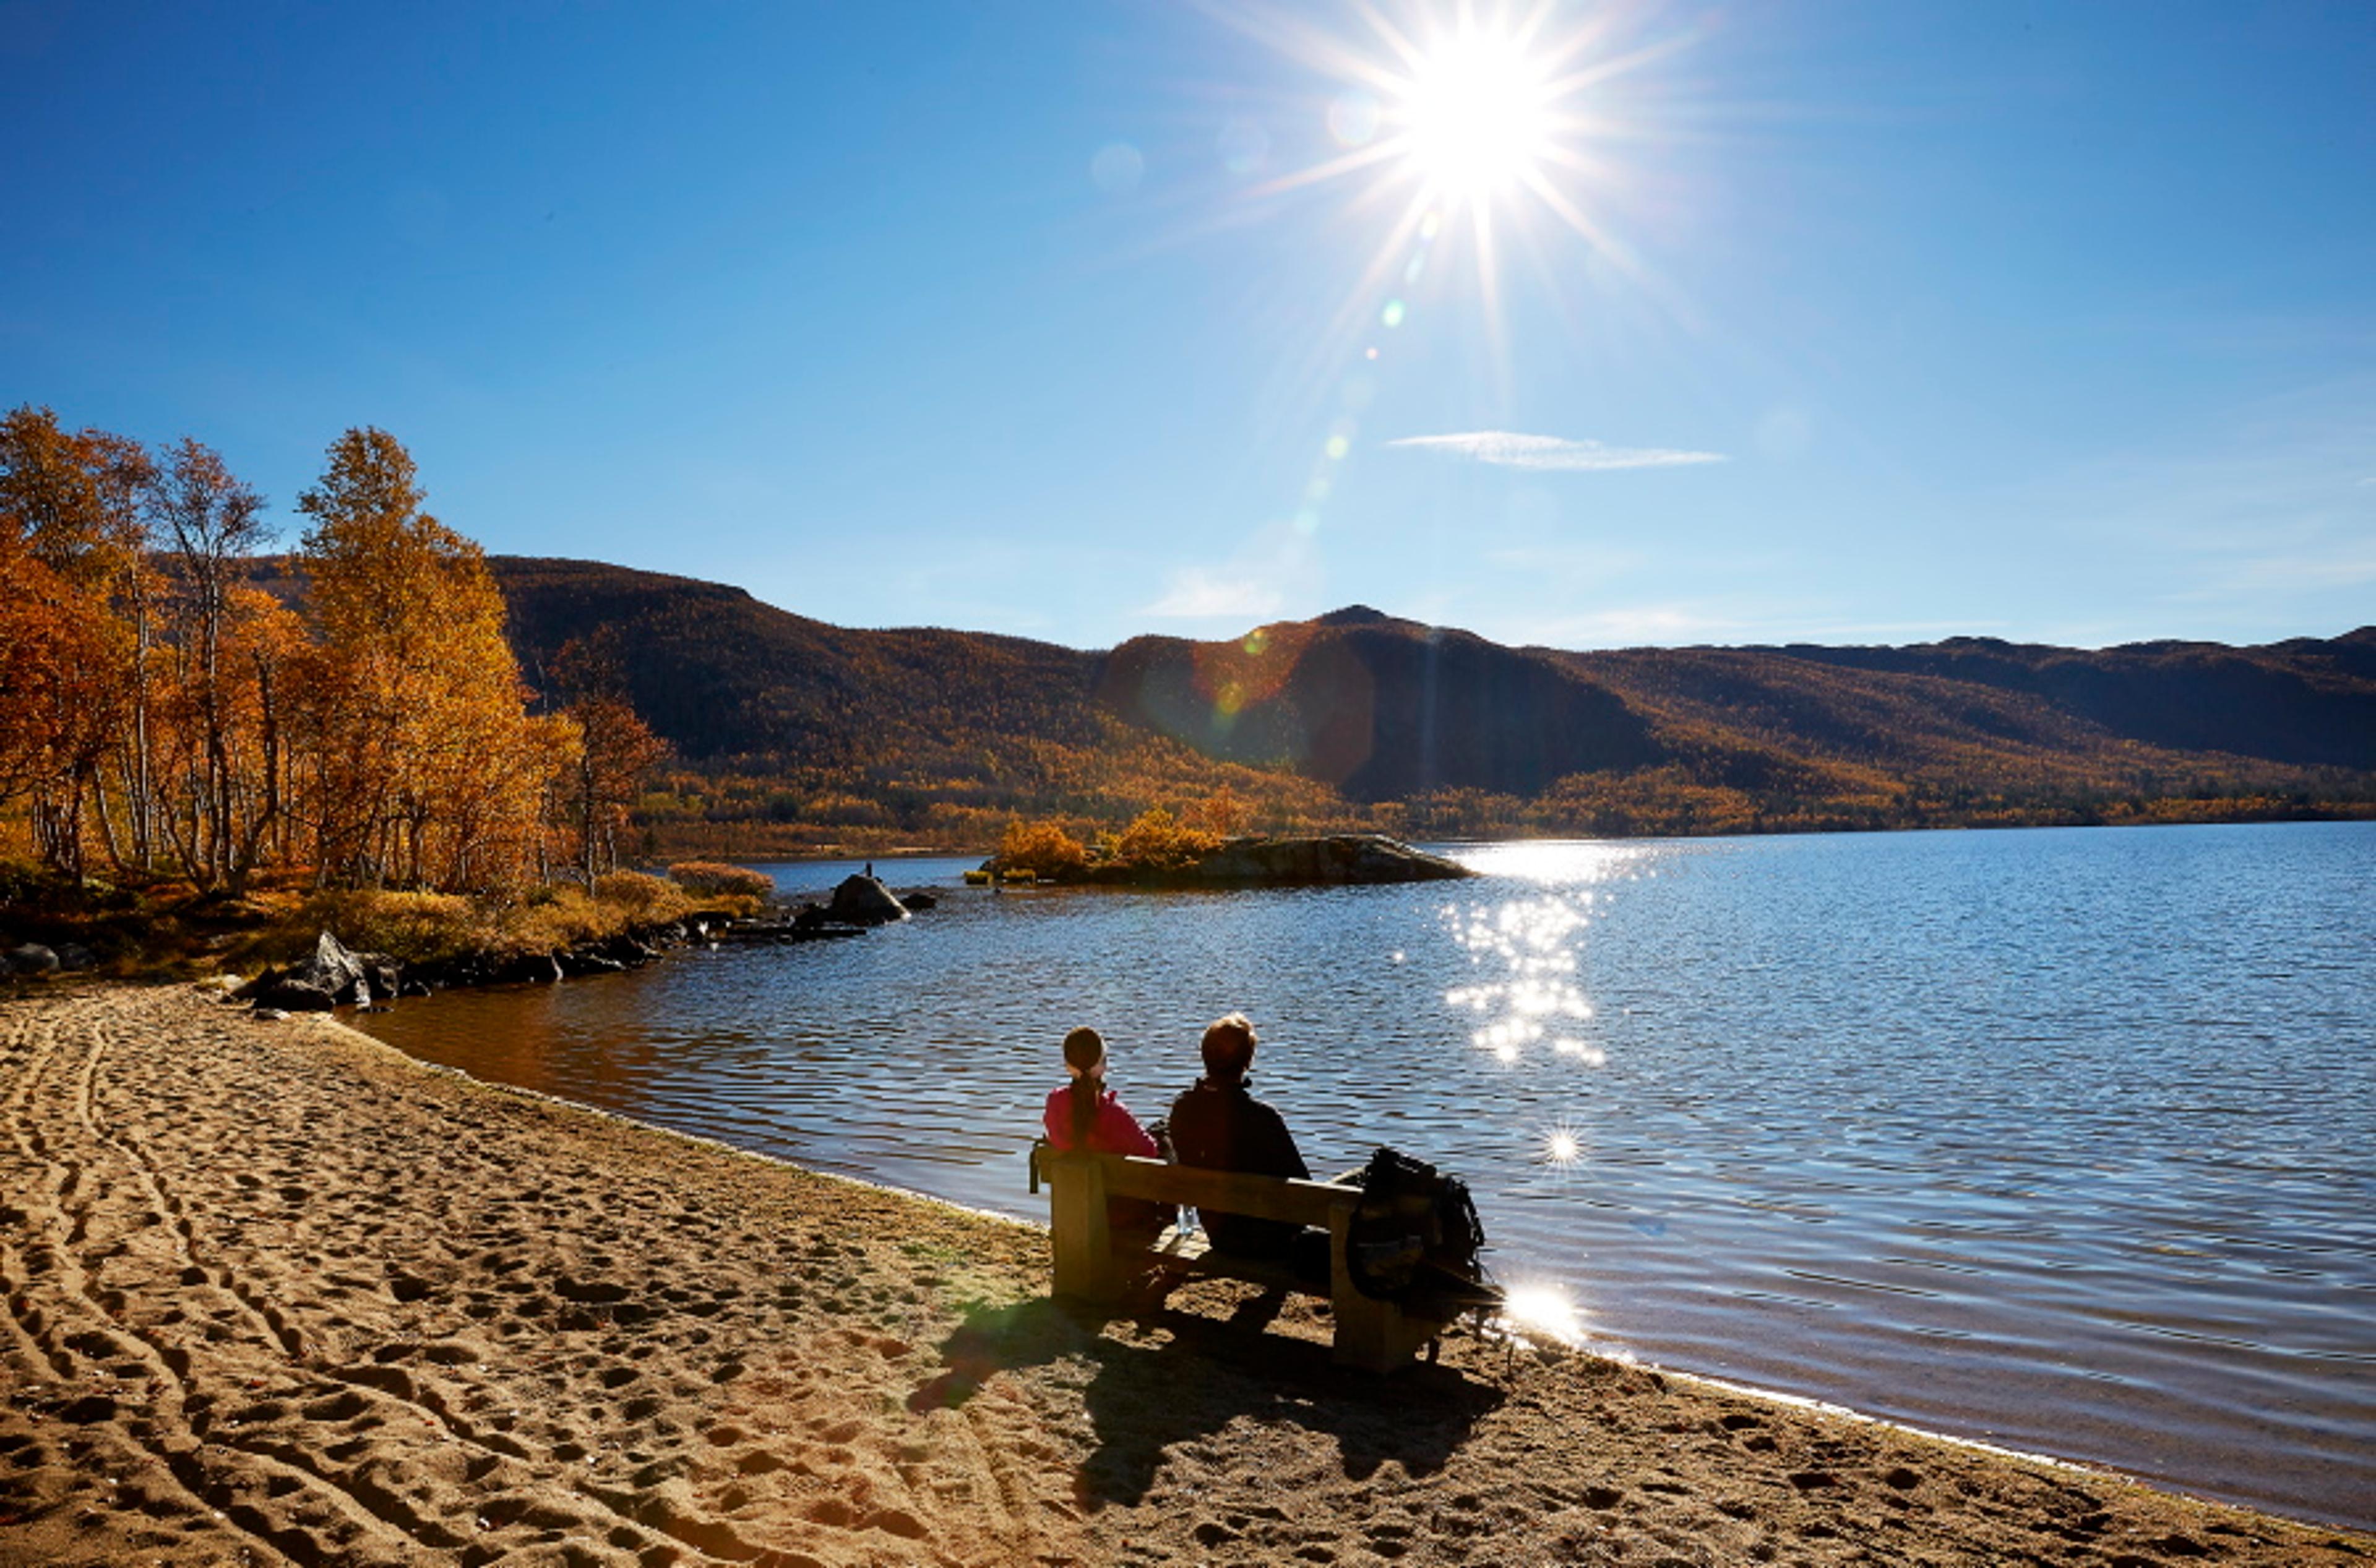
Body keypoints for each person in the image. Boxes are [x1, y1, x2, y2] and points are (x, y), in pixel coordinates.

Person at [1168, 1012, 1329, 1278]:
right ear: (1247, 1062)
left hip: (1219, 1236)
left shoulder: (1182, 1109)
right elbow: (1305, 1192)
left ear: (1205, 1057)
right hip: (1271, 1243)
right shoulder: (1262, 1118)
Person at [1043, 1026, 1171, 1232]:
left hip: (1076, 1209)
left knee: (1158, 1129)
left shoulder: (1055, 1103)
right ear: (1102, 1066)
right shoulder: (1113, 1112)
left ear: (1068, 1066)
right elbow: (1150, 1151)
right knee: (1165, 1140)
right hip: (1120, 1215)